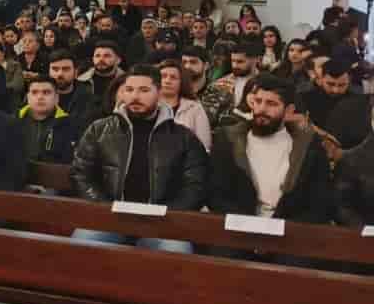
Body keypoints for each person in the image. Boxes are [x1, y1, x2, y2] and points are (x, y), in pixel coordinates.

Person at [70, 66, 209, 251]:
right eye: (129, 90)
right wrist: (105, 207)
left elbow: (195, 185)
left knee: (177, 251)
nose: (135, 96)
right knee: (80, 246)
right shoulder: (99, 130)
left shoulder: (183, 137)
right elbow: (81, 174)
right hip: (110, 219)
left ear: (159, 93)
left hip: (161, 224)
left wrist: (166, 214)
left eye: (144, 90)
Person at [207, 74, 336, 227]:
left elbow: (320, 202)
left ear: (288, 111)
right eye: (258, 101)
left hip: (290, 231)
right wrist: (246, 224)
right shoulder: (227, 140)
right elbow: (215, 193)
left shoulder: (309, 147)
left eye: (271, 104)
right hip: (238, 227)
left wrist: (285, 228)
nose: (261, 109)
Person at [18, 76, 78, 165]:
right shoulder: (13, 121)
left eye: (46, 92)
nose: (40, 97)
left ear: (57, 98)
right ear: (28, 97)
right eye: (34, 92)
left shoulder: (69, 125)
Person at [159, 60, 212, 151]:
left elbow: (204, 145)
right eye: (163, 76)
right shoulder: (149, 105)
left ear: (182, 82)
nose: (167, 81)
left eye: (173, 77)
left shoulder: (194, 108)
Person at [80, 39, 126, 109]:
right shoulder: (81, 81)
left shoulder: (127, 82)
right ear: (93, 59)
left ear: (118, 60)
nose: (101, 59)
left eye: (107, 56)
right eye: (97, 56)